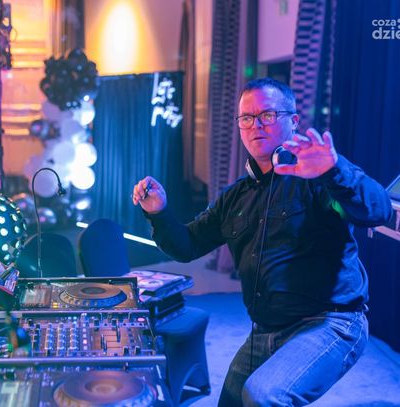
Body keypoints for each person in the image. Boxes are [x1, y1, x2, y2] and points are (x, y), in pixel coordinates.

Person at [132, 77, 392, 406]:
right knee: (232, 402)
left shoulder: (320, 175)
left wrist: (334, 170)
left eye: (267, 115)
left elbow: (378, 210)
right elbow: (187, 246)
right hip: (267, 329)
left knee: (264, 394)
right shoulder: (235, 197)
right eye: (247, 118)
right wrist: (159, 213)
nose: (256, 125)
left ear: (293, 121)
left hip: (330, 323)